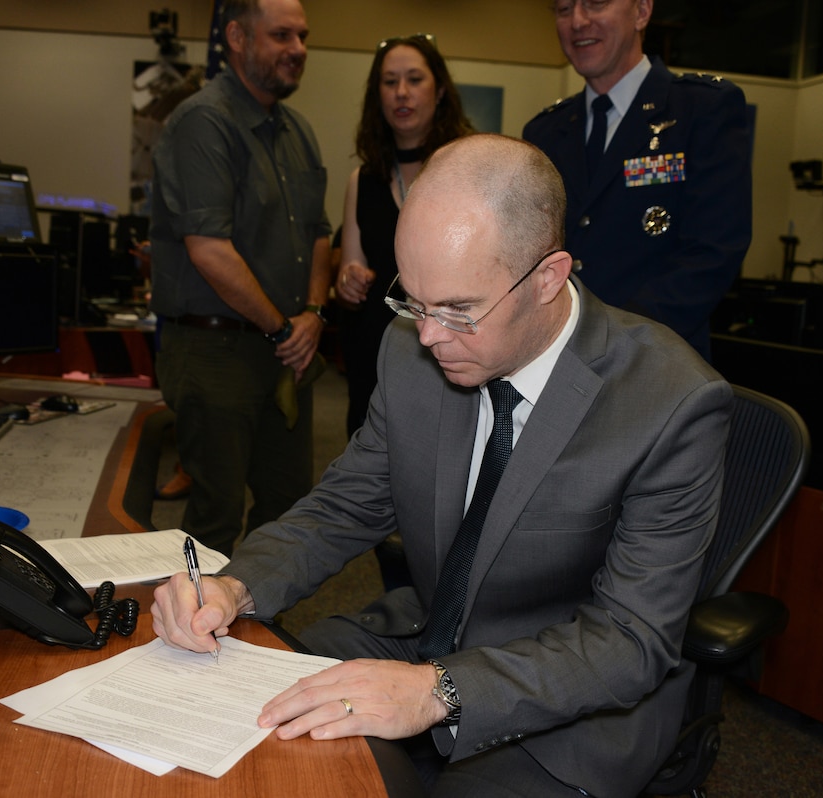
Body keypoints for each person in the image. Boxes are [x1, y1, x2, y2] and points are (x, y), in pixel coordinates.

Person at [152, 134, 733, 797]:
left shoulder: (670, 402)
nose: (427, 335)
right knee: (237, 730)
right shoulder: (412, 350)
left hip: (571, 703)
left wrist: (440, 691)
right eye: (414, 301)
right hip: (426, 634)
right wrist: (235, 586)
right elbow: (345, 505)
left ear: (549, 277)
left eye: (458, 310)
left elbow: (630, 639)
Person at [149, 0, 332, 556]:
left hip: (284, 350)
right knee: (215, 518)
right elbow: (209, 250)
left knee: (289, 506)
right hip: (214, 352)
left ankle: (253, 626)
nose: (297, 50)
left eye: (302, 37)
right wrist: (285, 328)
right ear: (235, 36)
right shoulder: (203, 123)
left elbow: (320, 235)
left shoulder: (297, 130)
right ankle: (195, 635)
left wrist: (314, 315)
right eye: (281, 36)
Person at [522, 0, 751, 361]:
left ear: (642, 12)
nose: (577, 21)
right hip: (556, 357)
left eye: (595, 4)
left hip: (657, 360)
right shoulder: (546, 131)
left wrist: (612, 338)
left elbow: (713, 251)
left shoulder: (701, 110)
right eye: (564, 9)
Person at [337, 34, 473, 436]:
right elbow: (351, 265)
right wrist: (348, 279)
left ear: (441, 89)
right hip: (376, 356)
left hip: (450, 355)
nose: (401, 92)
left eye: (414, 79)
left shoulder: (470, 165)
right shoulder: (362, 179)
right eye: (389, 81)